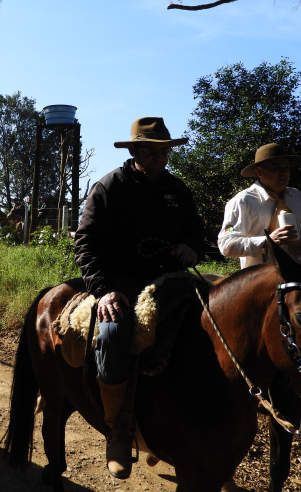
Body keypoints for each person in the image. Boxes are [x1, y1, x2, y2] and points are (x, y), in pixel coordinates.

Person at [74, 117, 207, 479]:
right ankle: (118, 431)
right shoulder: (109, 187)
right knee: (114, 333)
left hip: (171, 278)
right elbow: (86, 243)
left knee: (215, 319)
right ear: (134, 151)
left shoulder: (177, 190)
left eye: (165, 150)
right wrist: (103, 290)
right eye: (152, 151)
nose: (161, 157)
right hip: (121, 280)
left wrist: (192, 248)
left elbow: (197, 233)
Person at [218, 143, 301, 268]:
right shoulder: (243, 201)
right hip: (261, 281)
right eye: (276, 168)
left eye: (286, 167)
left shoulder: (296, 197)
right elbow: (226, 244)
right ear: (259, 171)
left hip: (298, 277)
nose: (284, 173)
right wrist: (266, 241)